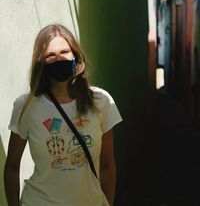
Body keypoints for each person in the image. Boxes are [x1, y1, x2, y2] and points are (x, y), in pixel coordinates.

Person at [4, 24, 122, 206]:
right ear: (41, 64)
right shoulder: (25, 106)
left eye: (65, 52)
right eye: (51, 56)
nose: (59, 59)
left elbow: (107, 164)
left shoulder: (100, 102)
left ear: (75, 56)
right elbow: (12, 166)